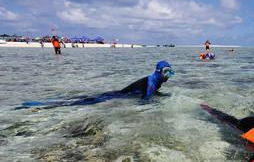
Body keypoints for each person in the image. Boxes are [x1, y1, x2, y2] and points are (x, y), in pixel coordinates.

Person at [21, 61, 174, 107]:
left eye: (170, 73)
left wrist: (162, 96)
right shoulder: (152, 82)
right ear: (159, 71)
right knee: (82, 102)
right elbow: (146, 99)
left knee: (88, 98)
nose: (168, 76)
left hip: (119, 92)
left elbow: (152, 92)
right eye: (166, 72)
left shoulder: (155, 80)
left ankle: (49, 102)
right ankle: (41, 105)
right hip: (120, 95)